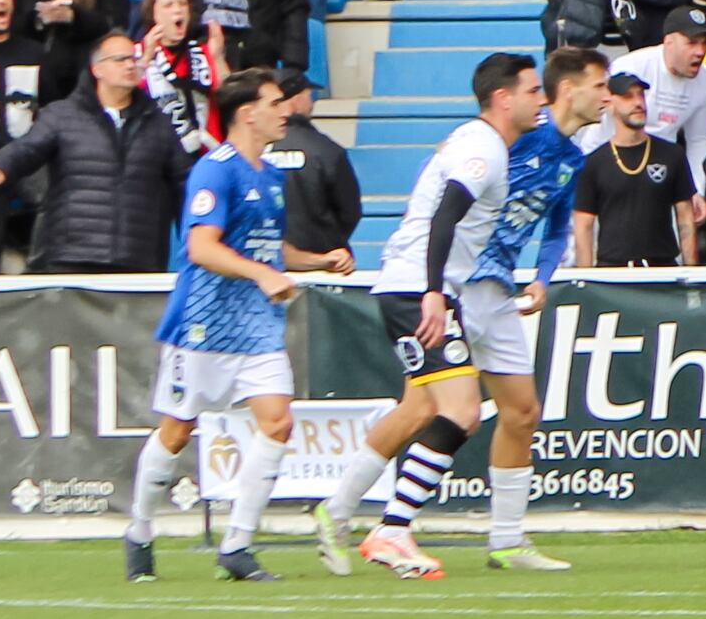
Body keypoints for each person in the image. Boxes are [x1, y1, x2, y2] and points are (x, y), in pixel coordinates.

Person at [331, 44, 609, 581]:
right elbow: (446, 199)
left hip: (484, 287)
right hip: (447, 286)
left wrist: (542, 275)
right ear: (567, 89)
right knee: (430, 411)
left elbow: (553, 226)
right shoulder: (506, 143)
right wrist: (437, 285)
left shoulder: (568, 158)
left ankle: (504, 538)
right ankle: (352, 515)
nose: (609, 96)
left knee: (519, 410)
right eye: (601, 85)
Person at [129, 69, 304, 585]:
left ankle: (237, 544)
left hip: (257, 328)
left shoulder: (271, 176)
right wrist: (263, 274)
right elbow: (202, 247)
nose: (285, 110)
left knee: (278, 423)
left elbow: (269, 249)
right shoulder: (215, 171)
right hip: (203, 326)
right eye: (275, 102)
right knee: (177, 432)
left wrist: (317, 259)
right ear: (247, 112)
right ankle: (139, 531)